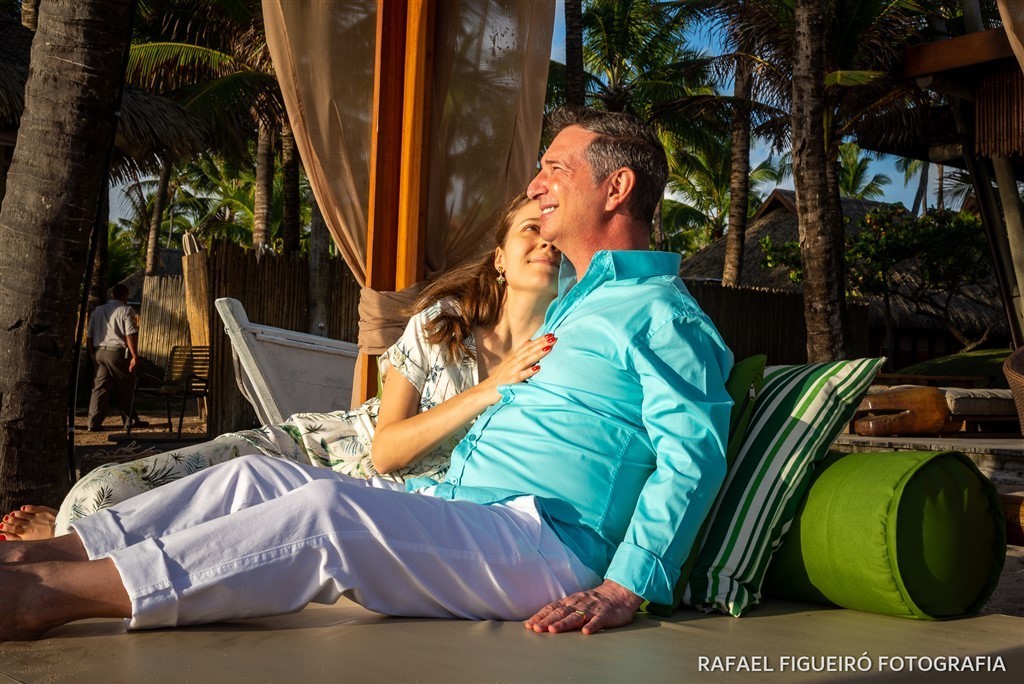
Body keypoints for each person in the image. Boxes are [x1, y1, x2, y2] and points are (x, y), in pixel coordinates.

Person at [0, 108, 733, 641]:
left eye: (555, 167)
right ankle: (49, 553)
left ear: (616, 188)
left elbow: (693, 452)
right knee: (255, 480)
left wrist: (627, 584)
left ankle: (46, 593)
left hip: (549, 545)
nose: (536, 182)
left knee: (327, 516)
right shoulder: (577, 306)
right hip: (467, 507)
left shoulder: (660, 314)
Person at [0, 194, 559, 541]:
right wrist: (490, 388)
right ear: (500, 260)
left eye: (552, 229)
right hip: (324, 449)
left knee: (216, 532)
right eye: (529, 229)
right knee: (104, 491)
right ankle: (78, 531)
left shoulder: (564, 353)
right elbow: (386, 447)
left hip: (389, 506)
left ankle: (79, 544)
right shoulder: (444, 324)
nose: (544, 240)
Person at [86, 283, 147, 432]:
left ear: (112, 295)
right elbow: (129, 334)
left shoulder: (98, 310)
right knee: (126, 385)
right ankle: (130, 420)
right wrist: (134, 355)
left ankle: (93, 422)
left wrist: (92, 353)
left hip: (100, 351)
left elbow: (89, 335)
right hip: (116, 353)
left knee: (99, 388)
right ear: (125, 296)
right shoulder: (126, 310)